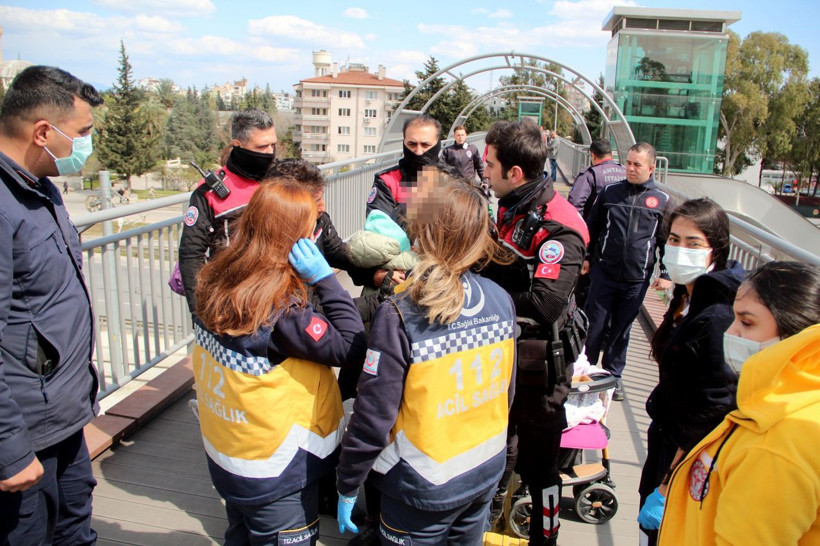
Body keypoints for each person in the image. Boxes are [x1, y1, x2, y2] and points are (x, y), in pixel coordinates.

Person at [335, 170, 517, 544]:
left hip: (422, 484)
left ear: (420, 235)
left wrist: (347, 482)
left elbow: (373, 416)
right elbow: (506, 394)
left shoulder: (401, 310)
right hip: (484, 470)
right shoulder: (501, 299)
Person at [192, 179, 367, 545]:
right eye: (310, 229)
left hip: (230, 453)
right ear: (293, 238)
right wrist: (325, 280)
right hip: (277, 471)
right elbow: (352, 346)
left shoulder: (214, 280)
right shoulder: (281, 310)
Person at [0, 65, 102, 545]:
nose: (86, 144)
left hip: (60, 418)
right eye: (82, 133)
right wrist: (9, 449)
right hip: (23, 436)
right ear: (43, 132)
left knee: (74, 529)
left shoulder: (38, 189)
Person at [656, 261, 820, 545]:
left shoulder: (774, 447)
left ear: (797, 333)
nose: (729, 333)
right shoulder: (779, 405)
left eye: (746, 322)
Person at [481, 120, 590, 546]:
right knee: (499, 444)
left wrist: (483, 298)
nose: (483, 171)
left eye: (489, 165)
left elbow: (546, 303)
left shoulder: (559, 226)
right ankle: (487, 520)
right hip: (508, 352)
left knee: (539, 465)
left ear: (514, 173)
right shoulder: (514, 205)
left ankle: (546, 538)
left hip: (542, 364)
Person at [634, 198, 743, 544]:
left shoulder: (719, 317)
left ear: (716, 249)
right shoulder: (688, 296)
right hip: (667, 440)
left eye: (693, 243)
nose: (680, 250)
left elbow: (712, 409)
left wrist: (667, 484)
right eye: (675, 240)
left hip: (684, 457)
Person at [582, 142, 672, 400]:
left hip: (636, 279)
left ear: (651, 168)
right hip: (604, 273)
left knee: (621, 330)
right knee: (594, 326)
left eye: (637, 165)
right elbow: (593, 226)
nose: (630, 169)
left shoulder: (663, 201)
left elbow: (666, 241)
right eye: (628, 163)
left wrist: (665, 274)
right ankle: (585, 372)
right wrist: (587, 257)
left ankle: (613, 377)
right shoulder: (611, 192)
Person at [179, 107, 278, 313]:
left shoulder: (280, 178)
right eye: (262, 147)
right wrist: (199, 313)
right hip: (234, 302)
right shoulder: (208, 193)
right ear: (238, 145)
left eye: (273, 145)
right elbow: (191, 254)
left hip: (278, 297)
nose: (270, 152)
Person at [567, 138, 625, 220]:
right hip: (618, 228)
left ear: (593, 156)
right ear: (611, 154)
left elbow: (574, 203)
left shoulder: (590, 174)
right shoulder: (625, 172)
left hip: (595, 229)